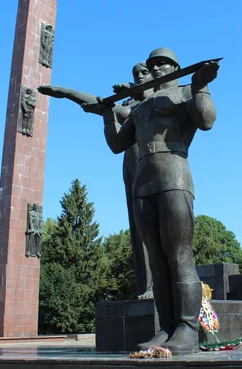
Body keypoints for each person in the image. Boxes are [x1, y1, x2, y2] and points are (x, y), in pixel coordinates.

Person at [88, 47, 219, 355]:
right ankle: (167, 327)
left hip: (174, 175)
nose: (157, 68)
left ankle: (187, 328)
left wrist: (201, 85)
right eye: (153, 64)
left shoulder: (186, 91)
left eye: (163, 63)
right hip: (143, 181)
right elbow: (118, 145)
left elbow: (207, 120)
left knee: (179, 255)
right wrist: (108, 116)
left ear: (176, 66)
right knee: (157, 262)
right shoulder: (142, 104)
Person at [37, 62, 155, 298]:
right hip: (131, 169)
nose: (140, 77)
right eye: (136, 74)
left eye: (145, 73)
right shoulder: (130, 108)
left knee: (156, 228)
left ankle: (159, 287)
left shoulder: (155, 103)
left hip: (154, 168)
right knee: (138, 230)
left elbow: (157, 93)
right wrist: (67, 92)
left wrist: (131, 87)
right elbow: (100, 105)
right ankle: (147, 287)